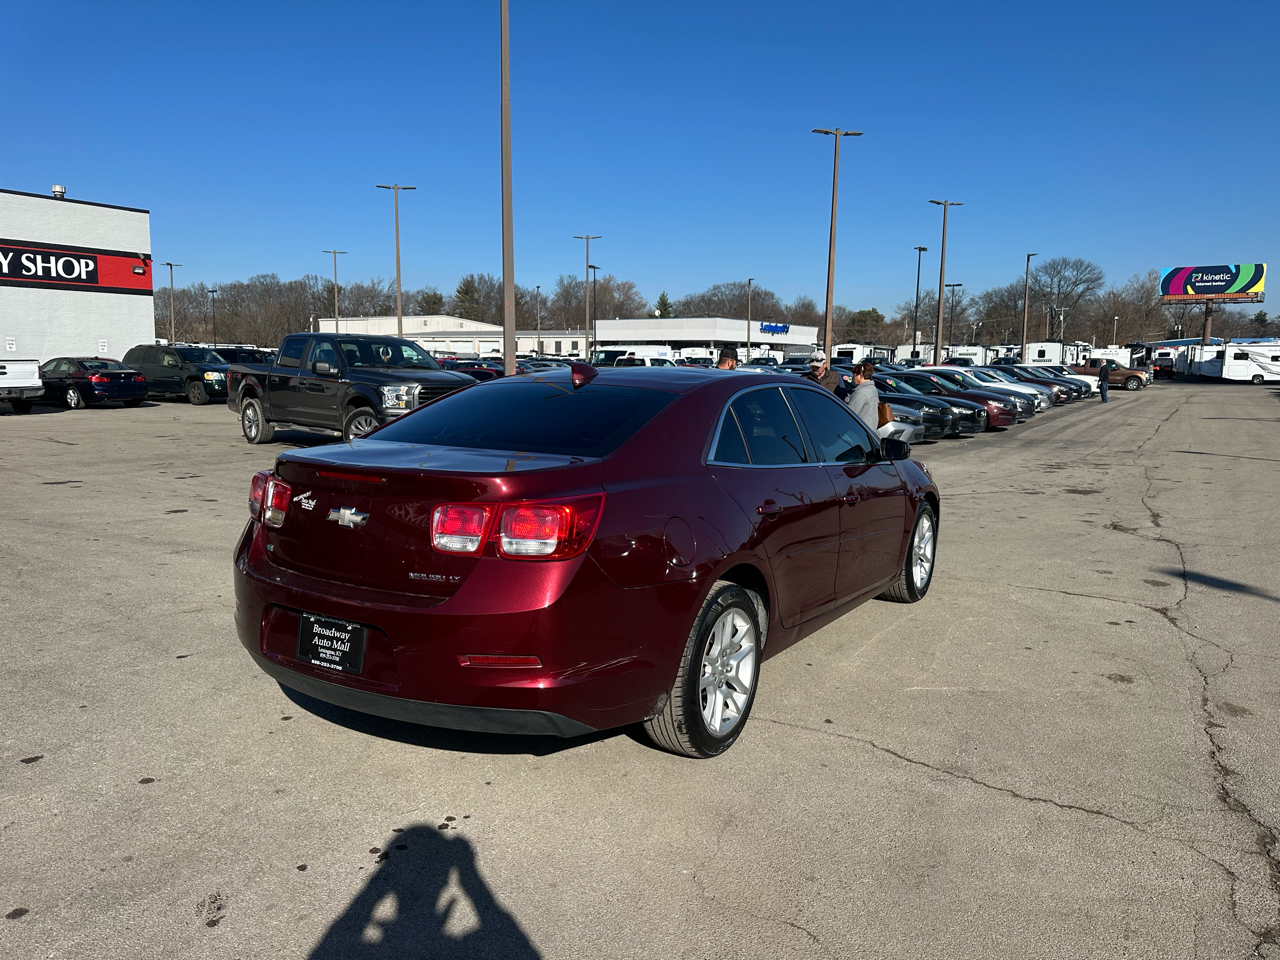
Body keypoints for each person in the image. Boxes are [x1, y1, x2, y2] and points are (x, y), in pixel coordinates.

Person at [847, 362, 879, 429]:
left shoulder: (861, 392)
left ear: (860, 376)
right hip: (871, 429)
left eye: (854, 375)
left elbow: (849, 413)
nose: (853, 378)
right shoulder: (873, 389)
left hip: (859, 432)